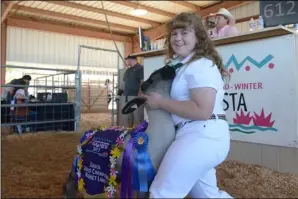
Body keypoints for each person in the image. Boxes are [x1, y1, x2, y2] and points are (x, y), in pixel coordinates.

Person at [142, 12, 233, 198]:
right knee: (208, 196)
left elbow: (202, 111)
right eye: (174, 34)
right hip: (197, 134)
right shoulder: (185, 65)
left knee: (162, 193)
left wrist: (160, 102)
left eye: (184, 33)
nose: (178, 38)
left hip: (201, 135)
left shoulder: (200, 65)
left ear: (198, 37)